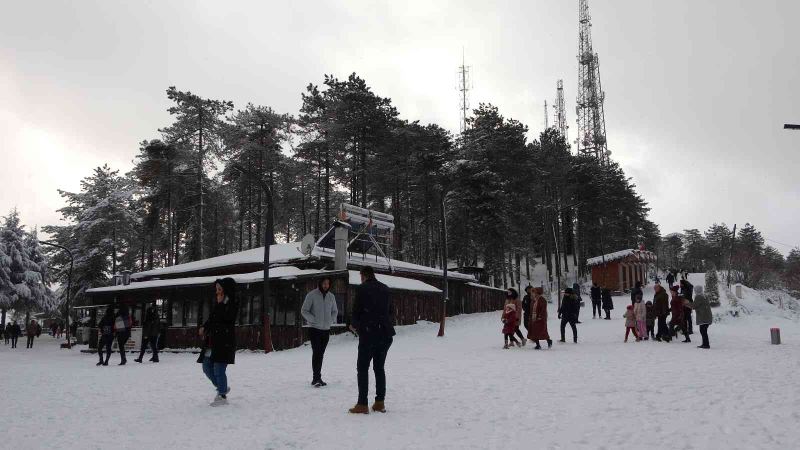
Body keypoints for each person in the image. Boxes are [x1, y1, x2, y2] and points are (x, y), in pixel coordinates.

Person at [349, 266, 395, 414]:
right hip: (385, 334)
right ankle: (379, 402)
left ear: (363, 275)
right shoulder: (386, 289)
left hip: (369, 333)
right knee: (379, 368)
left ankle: (362, 404)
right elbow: (391, 312)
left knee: (362, 368)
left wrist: (354, 325)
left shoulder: (362, 289)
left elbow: (356, 310)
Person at [198, 278, 239, 407]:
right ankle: (222, 387)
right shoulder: (219, 303)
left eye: (219, 289)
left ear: (226, 290)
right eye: (216, 290)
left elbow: (227, 319)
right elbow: (212, 319)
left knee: (218, 368)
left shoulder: (232, 303)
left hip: (224, 342)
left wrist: (221, 304)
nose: (217, 292)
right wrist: (204, 327)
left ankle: (222, 395)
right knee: (206, 366)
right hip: (213, 342)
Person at [301, 276, 339, 387]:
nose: (326, 285)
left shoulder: (331, 296)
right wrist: (314, 320)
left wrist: (330, 321)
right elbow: (304, 311)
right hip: (315, 330)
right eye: (324, 283)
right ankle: (316, 378)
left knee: (320, 354)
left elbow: (335, 311)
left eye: (328, 283)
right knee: (317, 353)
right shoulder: (312, 295)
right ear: (320, 283)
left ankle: (318, 377)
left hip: (326, 330)